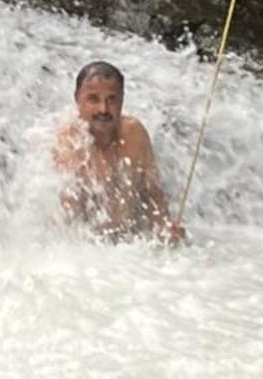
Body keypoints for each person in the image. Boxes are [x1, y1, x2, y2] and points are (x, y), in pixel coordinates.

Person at [53, 61, 185, 245]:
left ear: (122, 100)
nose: (104, 109)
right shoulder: (69, 143)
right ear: (78, 100)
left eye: (112, 99)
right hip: (86, 252)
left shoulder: (135, 134)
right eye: (93, 99)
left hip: (131, 245)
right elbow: (68, 226)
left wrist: (165, 230)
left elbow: (153, 194)